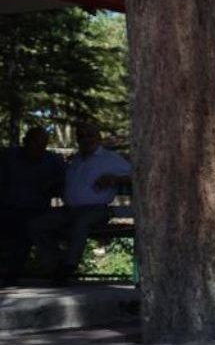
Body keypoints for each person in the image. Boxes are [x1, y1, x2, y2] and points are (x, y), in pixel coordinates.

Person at [29, 122, 131, 285]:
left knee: (81, 223)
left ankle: (68, 267)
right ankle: (55, 263)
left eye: (89, 135)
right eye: (81, 136)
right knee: (37, 225)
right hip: (69, 210)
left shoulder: (110, 158)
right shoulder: (76, 159)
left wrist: (115, 178)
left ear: (98, 137)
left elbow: (136, 174)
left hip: (97, 209)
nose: (85, 139)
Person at [0, 127, 65, 286]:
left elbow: (65, 182)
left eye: (42, 145)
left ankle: (13, 274)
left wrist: (52, 186)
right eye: (34, 144)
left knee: (29, 227)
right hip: (7, 208)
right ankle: (9, 272)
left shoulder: (53, 161)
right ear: (25, 142)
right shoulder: (8, 157)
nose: (38, 148)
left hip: (36, 210)